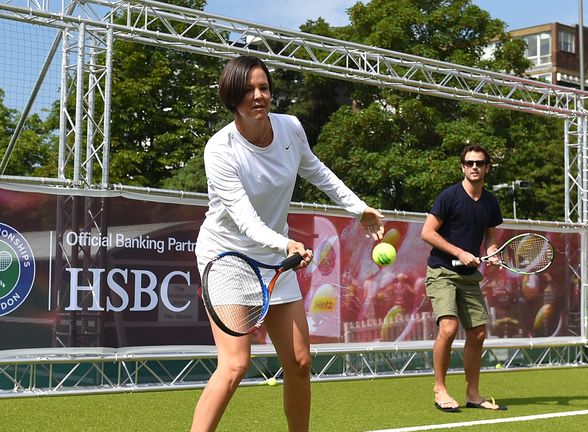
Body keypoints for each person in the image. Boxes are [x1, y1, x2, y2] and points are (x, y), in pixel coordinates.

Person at [191, 55, 385, 432]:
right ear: (232, 98)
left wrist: (358, 209)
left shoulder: (290, 128)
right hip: (227, 258)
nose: (259, 96)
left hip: (275, 258)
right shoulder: (220, 150)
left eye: (264, 87)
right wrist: (286, 245)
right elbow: (245, 219)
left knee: (299, 362)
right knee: (234, 366)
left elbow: (316, 171)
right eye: (248, 90)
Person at [421, 144, 507, 413]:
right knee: (448, 327)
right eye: (469, 163)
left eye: (479, 163)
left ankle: (472, 394)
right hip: (442, 272)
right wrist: (460, 252)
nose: (474, 167)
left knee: (478, 333)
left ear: (487, 168)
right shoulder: (449, 197)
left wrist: (491, 252)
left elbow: (490, 236)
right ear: (462, 167)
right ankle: (440, 389)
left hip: (469, 277)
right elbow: (428, 233)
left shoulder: (491, 202)